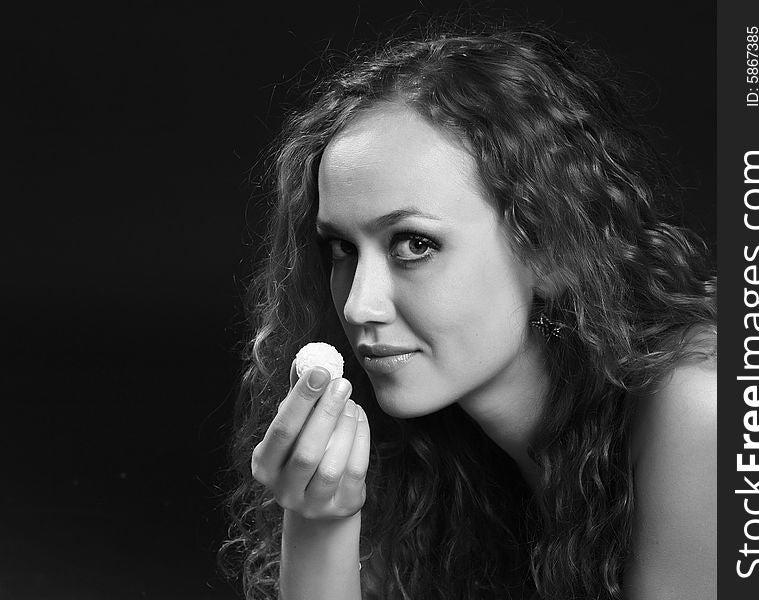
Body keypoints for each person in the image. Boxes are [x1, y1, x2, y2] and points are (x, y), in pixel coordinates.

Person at [219, 24, 717, 600]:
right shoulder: (437, 461)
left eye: (414, 244)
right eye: (342, 249)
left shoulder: (700, 407)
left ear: (553, 249)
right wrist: (318, 521)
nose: (358, 305)